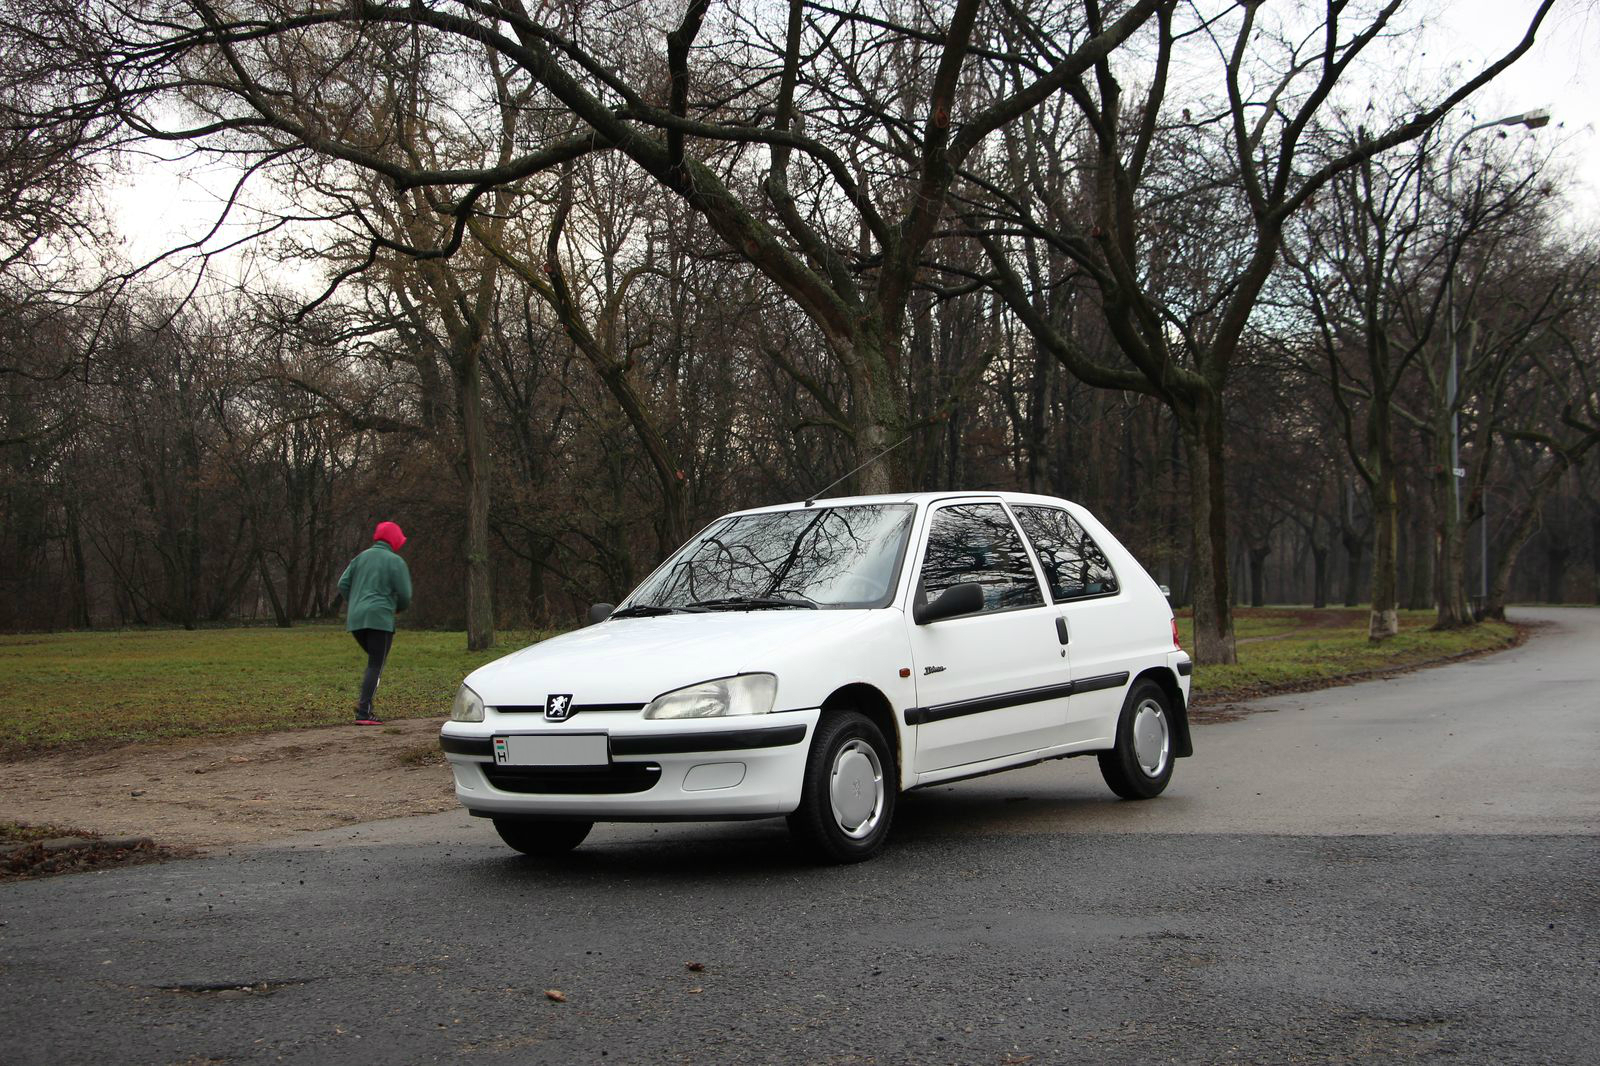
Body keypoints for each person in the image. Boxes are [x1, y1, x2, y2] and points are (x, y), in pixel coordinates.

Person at [338, 521, 413, 725]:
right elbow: (405, 594)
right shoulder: (395, 561)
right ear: (394, 540)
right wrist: (397, 608)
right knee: (376, 664)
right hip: (380, 619)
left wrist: (356, 602)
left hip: (356, 620)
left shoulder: (360, 558)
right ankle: (364, 711)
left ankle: (364, 705)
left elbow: (342, 583)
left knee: (374, 662)